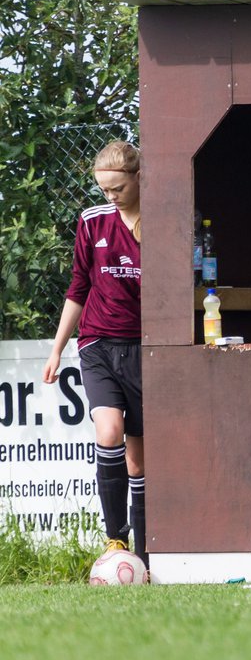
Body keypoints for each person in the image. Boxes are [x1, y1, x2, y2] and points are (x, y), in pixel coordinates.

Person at [42, 141, 148, 569]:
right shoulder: (92, 222)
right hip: (98, 343)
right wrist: (57, 349)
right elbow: (78, 289)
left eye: (118, 188)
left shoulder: (165, 220)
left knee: (139, 457)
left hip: (145, 348)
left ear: (139, 178)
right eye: (104, 190)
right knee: (109, 431)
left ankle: (144, 550)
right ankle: (115, 540)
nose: (111, 196)